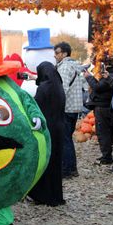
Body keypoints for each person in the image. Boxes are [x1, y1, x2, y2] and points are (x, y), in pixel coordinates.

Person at [28, 61, 66, 206]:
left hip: (47, 129)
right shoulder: (59, 87)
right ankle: (55, 195)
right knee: (55, 163)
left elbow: (36, 108)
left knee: (44, 161)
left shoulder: (43, 88)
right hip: (59, 128)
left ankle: (42, 195)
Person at [84, 56, 113, 165]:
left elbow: (97, 87)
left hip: (102, 107)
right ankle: (110, 154)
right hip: (112, 107)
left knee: (103, 132)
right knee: (111, 131)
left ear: (108, 65)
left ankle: (106, 157)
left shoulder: (108, 76)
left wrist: (88, 77)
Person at [54, 42, 84, 179]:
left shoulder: (65, 67)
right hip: (74, 107)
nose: (55, 55)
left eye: (57, 52)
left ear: (65, 53)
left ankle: (67, 170)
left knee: (65, 139)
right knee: (68, 139)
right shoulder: (74, 66)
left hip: (66, 108)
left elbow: (62, 89)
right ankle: (71, 168)